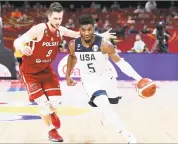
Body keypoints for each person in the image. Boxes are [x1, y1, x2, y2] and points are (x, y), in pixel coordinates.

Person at [13, 2, 116, 142]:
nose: (58, 21)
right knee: (42, 104)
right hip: (30, 72)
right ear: (49, 17)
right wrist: (21, 47)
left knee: (56, 103)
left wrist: (101, 35)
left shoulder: (60, 30)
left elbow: (78, 34)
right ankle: (52, 131)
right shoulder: (39, 29)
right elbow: (19, 41)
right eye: (55, 18)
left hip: (46, 70)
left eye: (60, 18)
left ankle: (52, 112)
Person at [66, 14, 144, 143]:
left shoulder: (104, 44)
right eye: (83, 30)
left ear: (93, 28)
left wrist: (139, 78)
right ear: (79, 30)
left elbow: (120, 63)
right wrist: (68, 75)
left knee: (113, 102)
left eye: (89, 29)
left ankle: (104, 112)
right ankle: (127, 136)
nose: (86, 32)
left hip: (106, 77)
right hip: (90, 80)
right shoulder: (74, 44)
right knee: (106, 108)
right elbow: (72, 57)